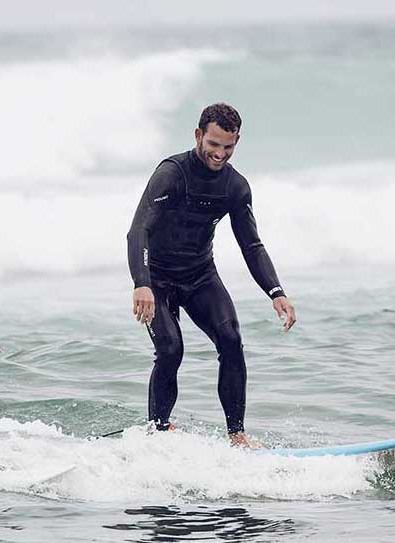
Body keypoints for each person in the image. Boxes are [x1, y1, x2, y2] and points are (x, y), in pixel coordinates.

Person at [126, 103, 296, 447]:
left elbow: (251, 245)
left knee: (231, 340)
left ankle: (237, 435)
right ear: (198, 135)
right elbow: (138, 232)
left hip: (200, 274)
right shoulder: (171, 174)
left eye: (228, 147)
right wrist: (141, 283)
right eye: (214, 144)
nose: (220, 154)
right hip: (157, 278)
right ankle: (157, 431)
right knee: (171, 348)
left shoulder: (235, 187)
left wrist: (276, 291)